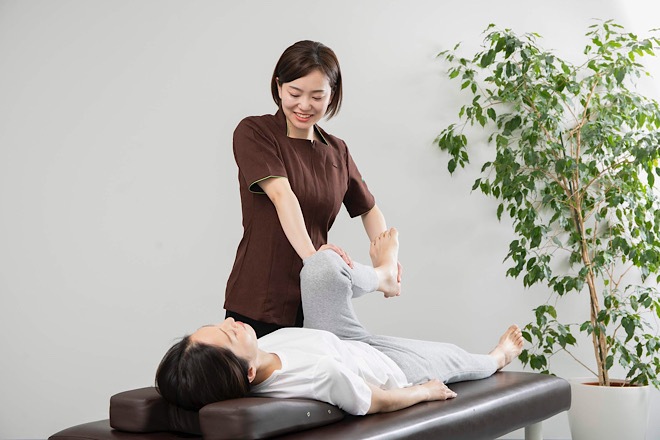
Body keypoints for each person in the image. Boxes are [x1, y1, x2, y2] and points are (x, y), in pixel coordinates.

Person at [156, 228, 524, 415]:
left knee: (321, 266)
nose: (232, 322)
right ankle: (497, 357)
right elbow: (377, 401)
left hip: (334, 338)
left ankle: (384, 276)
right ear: (249, 373)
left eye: (219, 325)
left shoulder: (252, 353)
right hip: (386, 364)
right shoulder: (322, 376)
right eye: (229, 335)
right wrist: (424, 392)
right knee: (456, 358)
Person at [224, 40, 400, 337]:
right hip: (260, 298)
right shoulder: (255, 132)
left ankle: (384, 274)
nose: (304, 105)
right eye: (295, 93)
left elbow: (369, 208)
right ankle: (379, 277)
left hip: (316, 302)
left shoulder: (337, 151)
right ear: (279, 87)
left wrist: (387, 259)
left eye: (317, 96)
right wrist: (315, 261)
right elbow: (282, 195)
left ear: (332, 95)